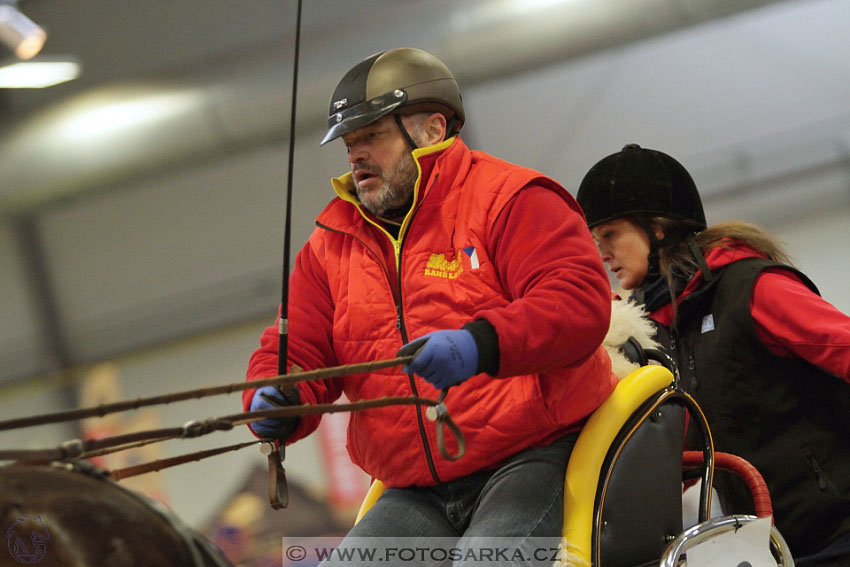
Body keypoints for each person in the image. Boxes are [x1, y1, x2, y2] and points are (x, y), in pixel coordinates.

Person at [242, 47, 617, 564]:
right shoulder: (328, 247)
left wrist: (478, 344)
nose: (355, 155)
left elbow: (578, 304)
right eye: (350, 143)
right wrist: (276, 398)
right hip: (414, 487)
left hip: (536, 453)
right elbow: (299, 352)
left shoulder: (513, 197)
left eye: (371, 136)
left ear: (432, 130)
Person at [576, 143, 850, 567]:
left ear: (659, 228)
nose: (603, 253)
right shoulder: (662, 333)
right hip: (773, 547)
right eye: (597, 241)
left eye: (610, 235)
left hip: (839, 530)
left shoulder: (752, 288)